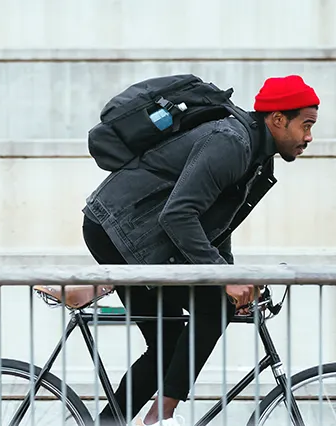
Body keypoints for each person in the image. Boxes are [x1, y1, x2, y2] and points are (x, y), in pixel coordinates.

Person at [80, 75, 320, 426]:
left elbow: (215, 224)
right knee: (212, 306)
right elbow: (178, 216)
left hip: (140, 232)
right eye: (306, 125)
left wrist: (230, 275)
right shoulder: (231, 143)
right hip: (117, 229)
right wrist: (225, 279)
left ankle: (116, 422)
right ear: (279, 119)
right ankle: (161, 418)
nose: (309, 137)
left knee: (169, 342)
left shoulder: (255, 154)